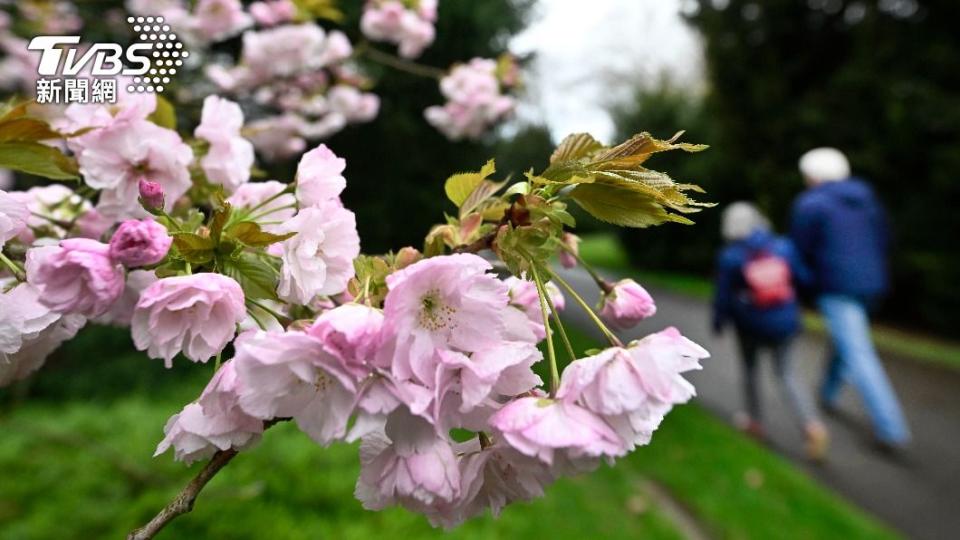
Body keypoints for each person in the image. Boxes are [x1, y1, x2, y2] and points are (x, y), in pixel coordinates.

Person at [790, 147, 911, 452]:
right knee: (847, 343)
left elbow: (799, 252)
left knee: (858, 353)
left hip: (837, 286)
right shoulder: (867, 200)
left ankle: (892, 430)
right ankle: (828, 395)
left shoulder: (811, 203)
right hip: (872, 285)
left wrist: (807, 284)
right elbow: (886, 239)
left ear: (813, 175)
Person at [713, 202, 828, 460]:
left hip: (750, 325)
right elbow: (803, 279)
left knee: (751, 371)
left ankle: (755, 422)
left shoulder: (731, 256)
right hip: (786, 322)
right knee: (787, 374)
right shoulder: (783, 246)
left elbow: (723, 297)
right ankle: (812, 425)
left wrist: (719, 323)